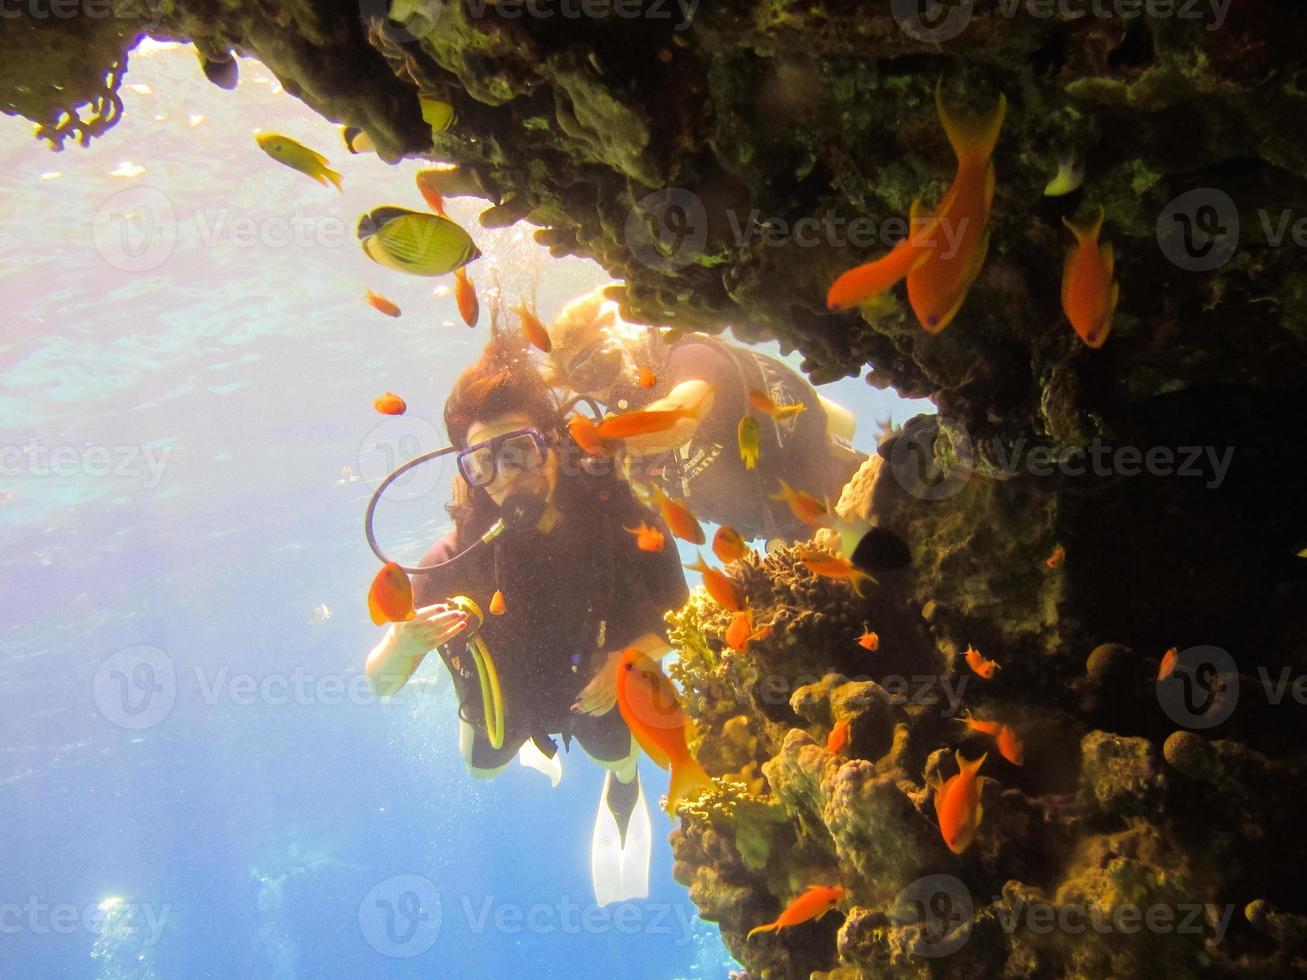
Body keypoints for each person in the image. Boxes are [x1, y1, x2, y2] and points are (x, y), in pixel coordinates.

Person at [364, 330, 688, 906]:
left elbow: (679, 616)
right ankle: (535, 746)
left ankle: (622, 781)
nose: (507, 476)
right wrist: (407, 645)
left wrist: (624, 661)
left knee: (615, 751)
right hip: (509, 697)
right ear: (468, 474)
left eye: (518, 451)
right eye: (483, 462)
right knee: (481, 768)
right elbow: (379, 680)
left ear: (555, 446)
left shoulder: (625, 526)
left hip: (595, 686)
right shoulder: (451, 560)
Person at [544, 285, 868, 545]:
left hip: (853, 495)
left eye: (603, 360)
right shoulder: (631, 448)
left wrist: (602, 440)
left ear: (625, 341)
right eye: (584, 378)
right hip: (796, 548)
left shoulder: (690, 354)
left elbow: (681, 415)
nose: (605, 384)